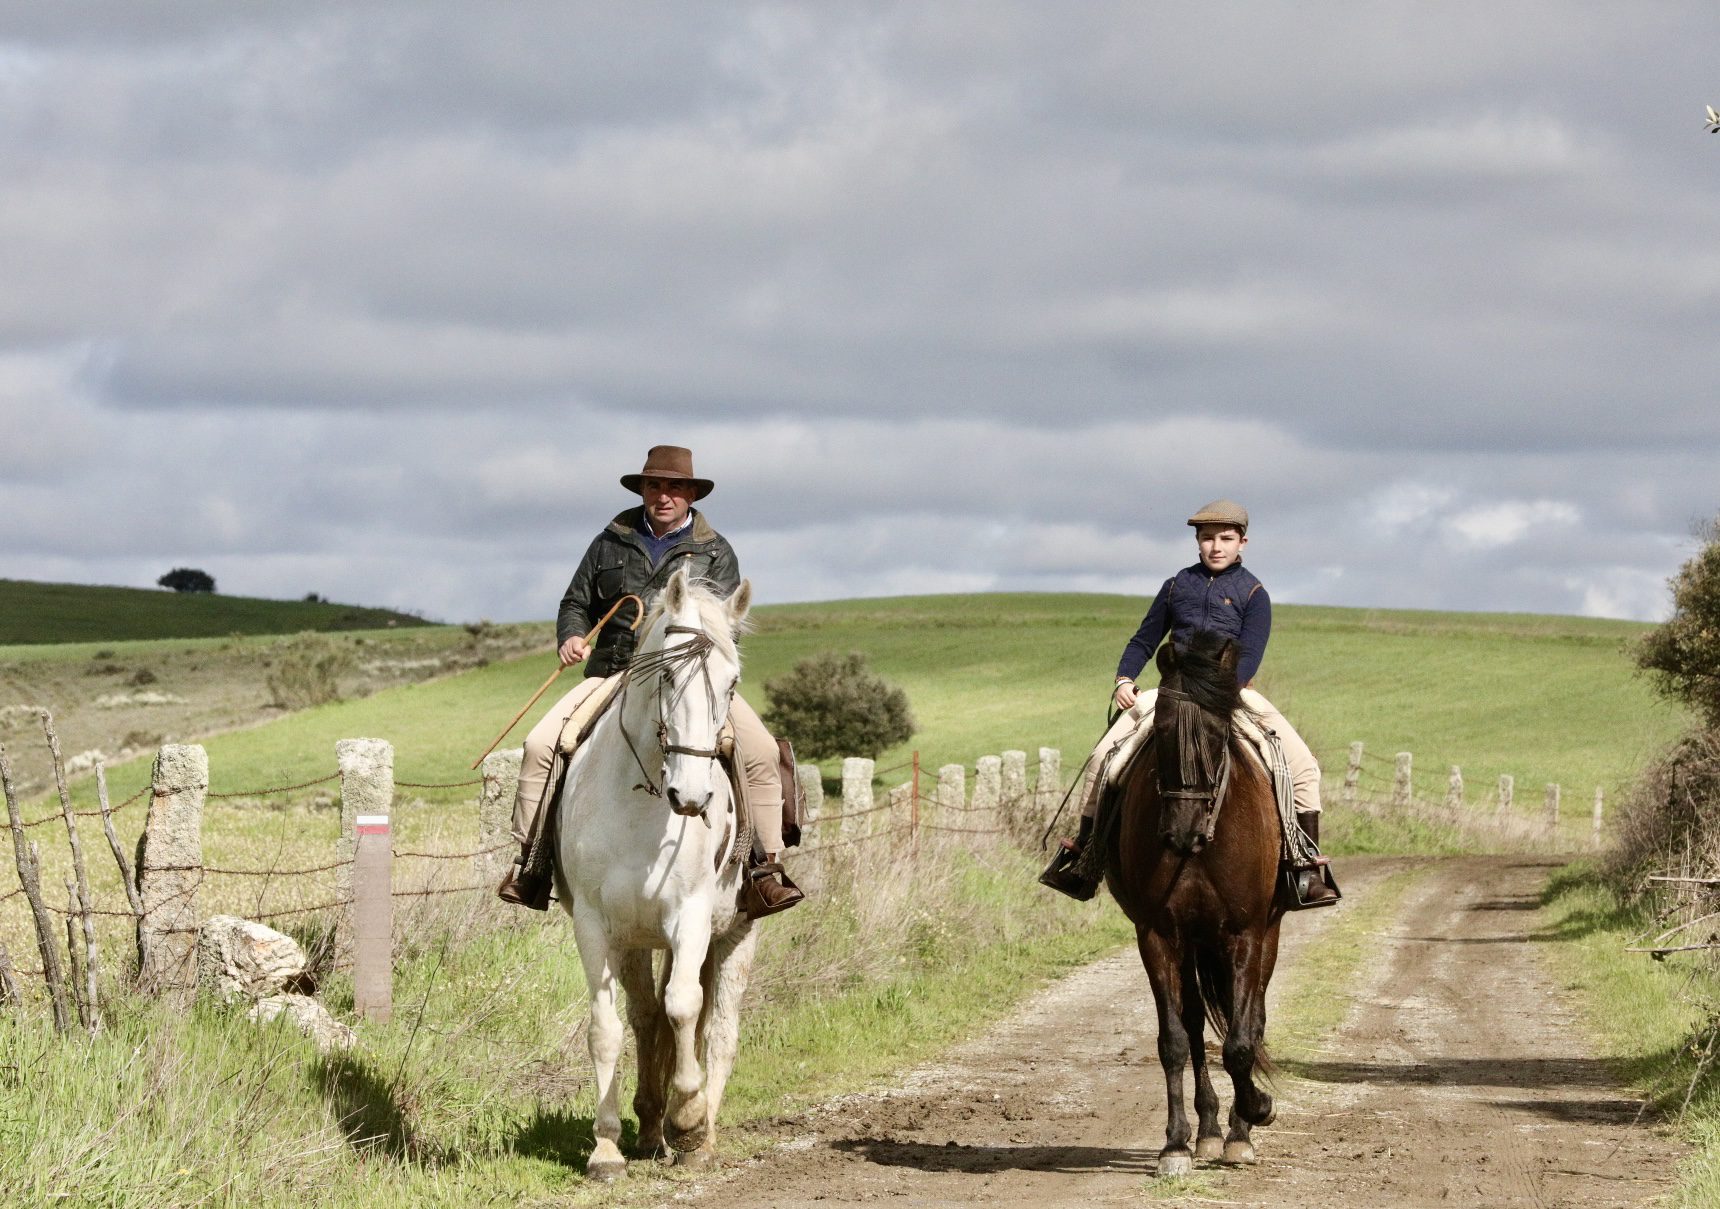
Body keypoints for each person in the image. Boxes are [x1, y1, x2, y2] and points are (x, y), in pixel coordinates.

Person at [497, 445, 804, 916]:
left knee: (761, 752)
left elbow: (727, 627)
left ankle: (764, 870)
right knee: (540, 746)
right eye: (655, 486)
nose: (664, 496)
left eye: (674, 488)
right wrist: (573, 635)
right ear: (642, 490)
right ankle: (531, 864)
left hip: (690, 679)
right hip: (615, 671)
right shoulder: (609, 542)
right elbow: (575, 602)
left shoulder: (717, 551)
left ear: (690, 495)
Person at [1039, 498, 1336, 904]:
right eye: (1208, 538)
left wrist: (1222, 689)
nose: (1216, 546)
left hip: (1231, 693)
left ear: (1243, 542)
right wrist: (1124, 678)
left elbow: (1250, 654)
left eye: (1226, 538)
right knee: (1103, 758)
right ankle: (1085, 860)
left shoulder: (1254, 594)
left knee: (1302, 766)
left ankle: (1304, 867)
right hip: (1173, 691)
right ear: (1197, 541)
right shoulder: (1176, 586)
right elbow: (1145, 639)